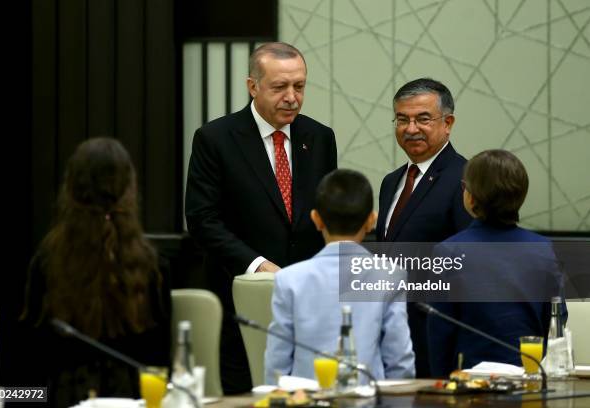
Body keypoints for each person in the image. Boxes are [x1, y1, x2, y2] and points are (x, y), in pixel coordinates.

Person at [185, 42, 337, 393]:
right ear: (253, 86)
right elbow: (202, 218)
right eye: (279, 87)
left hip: (306, 307)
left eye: (299, 86)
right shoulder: (215, 138)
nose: (292, 97)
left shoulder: (319, 138)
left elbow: (324, 216)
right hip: (242, 304)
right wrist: (259, 266)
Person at [20, 137, 171, 407]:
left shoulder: (45, 261)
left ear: (70, 189)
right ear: (129, 189)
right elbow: (163, 363)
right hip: (137, 400)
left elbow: (25, 366)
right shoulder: (152, 265)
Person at [264, 169, 415, 384]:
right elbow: (399, 360)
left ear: (316, 219)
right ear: (371, 220)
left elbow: (276, 362)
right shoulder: (390, 275)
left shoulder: (289, 279)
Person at [427, 149, 565, 377]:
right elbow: (556, 318)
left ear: (469, 196)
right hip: (529, 377)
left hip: (470, 384)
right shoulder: (543, 249)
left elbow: (440, 332)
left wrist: (443, 384)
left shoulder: (448, 252)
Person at [376, 78, 472, 377]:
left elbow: (466, 265)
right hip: (390, 337)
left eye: (423, 119)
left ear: (448, 123)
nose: (411, 128)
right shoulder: (391, 181)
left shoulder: (465, 179)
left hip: (436, 338)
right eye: (402, 119)